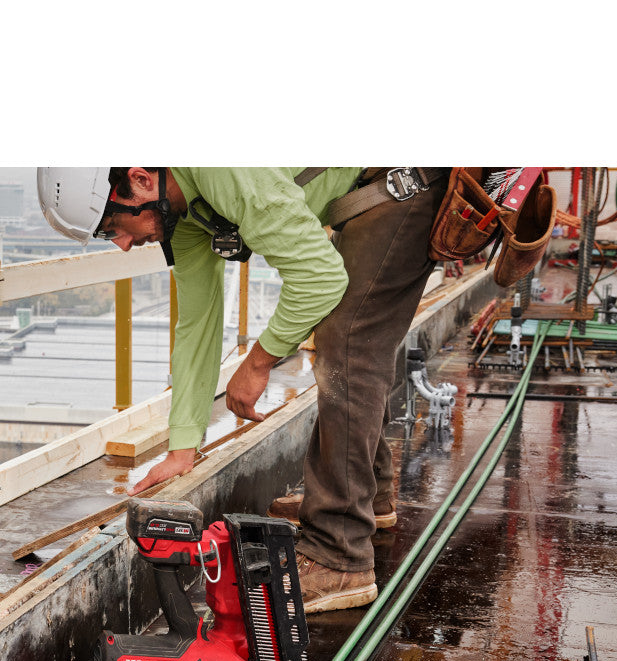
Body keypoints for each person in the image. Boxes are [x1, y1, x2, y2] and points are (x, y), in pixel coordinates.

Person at [37, 166, 448, 613]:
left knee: (347, 342)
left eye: (111, 226)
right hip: (365, 194)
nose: (120, 244)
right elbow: (197, 323)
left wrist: (257, 363)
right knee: (349, 339)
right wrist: (182, 447)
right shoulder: (183, 211)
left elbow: (319, 279)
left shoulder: (221, 168)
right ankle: (368, 498)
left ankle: (340, 553)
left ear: (139, 180)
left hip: (400, 182)